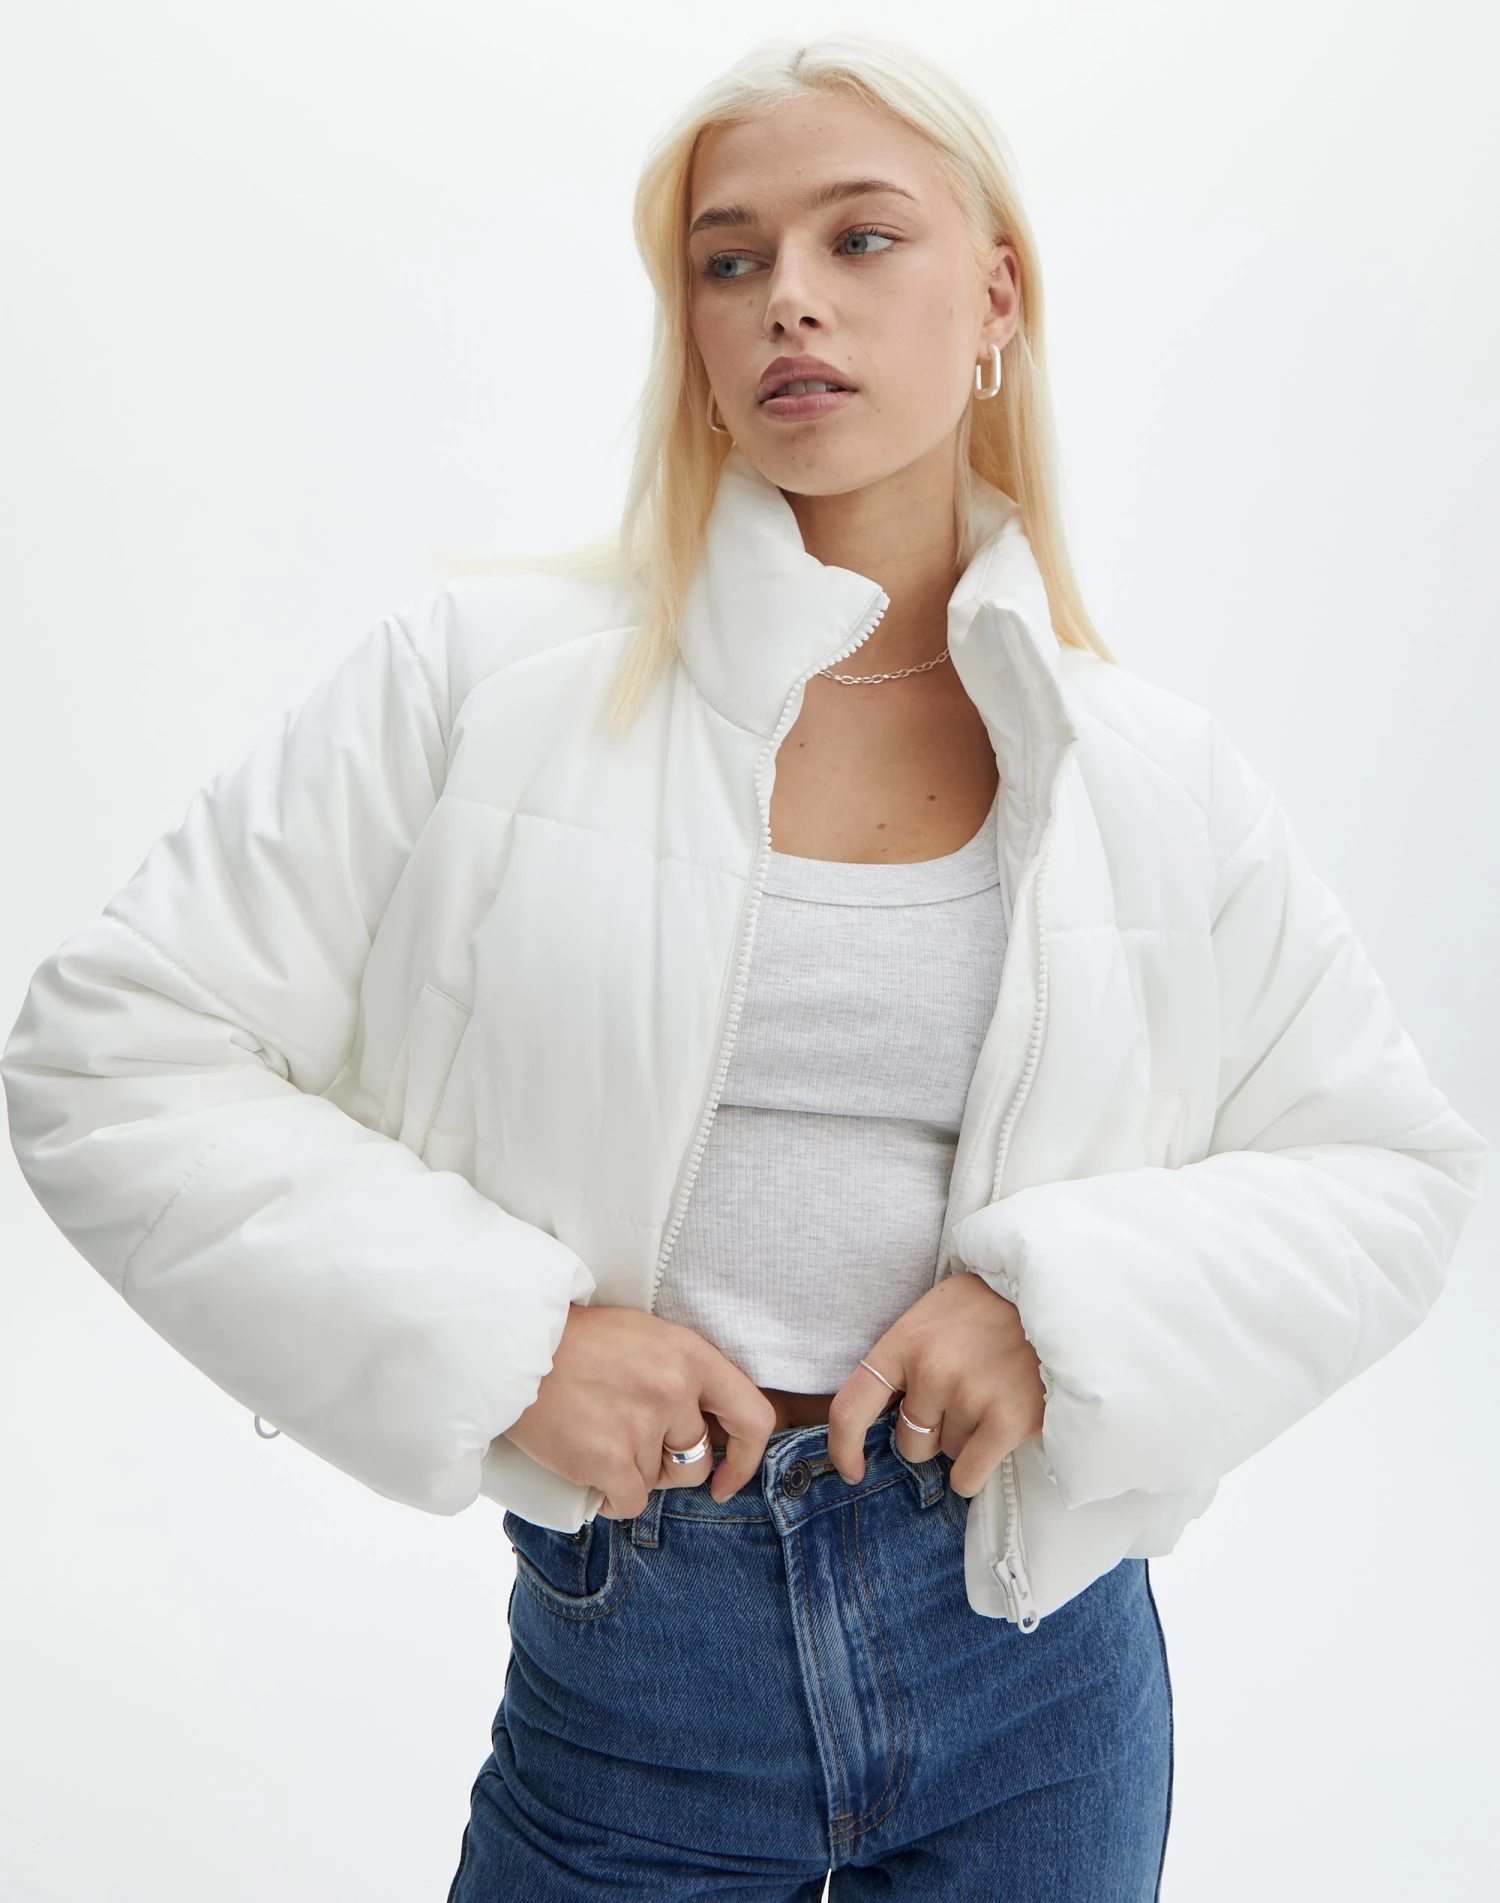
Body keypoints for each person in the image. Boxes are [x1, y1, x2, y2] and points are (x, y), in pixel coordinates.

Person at [2, 30, 1485, 1903]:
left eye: (861, 239)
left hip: (1037, 1664)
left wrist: (1064, 1314)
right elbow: (111, 1053)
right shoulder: (483, 685)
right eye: (730, 259)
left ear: (996, 298)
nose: (788, 296)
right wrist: (511, 1338)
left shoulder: (1150, 775)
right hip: (644, 1652)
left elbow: (1391, 1170)